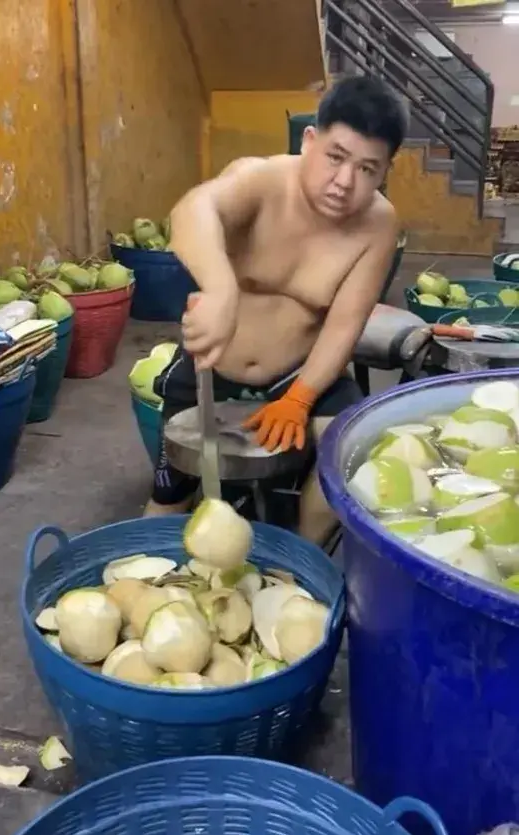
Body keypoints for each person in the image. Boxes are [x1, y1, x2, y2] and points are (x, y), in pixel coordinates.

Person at [144, 75, 408, 545]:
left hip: (298, 371)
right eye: (336, 157)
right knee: (171, 494)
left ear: (386, 170)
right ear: (310, 140)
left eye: (368, 169)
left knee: (347, 447)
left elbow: (346, 323)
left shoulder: (378, 225)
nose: (345, 182)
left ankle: (301, 561)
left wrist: (302, 397)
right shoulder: (259, 179)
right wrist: (222, 289)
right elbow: (191, 211)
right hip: (212, 367)